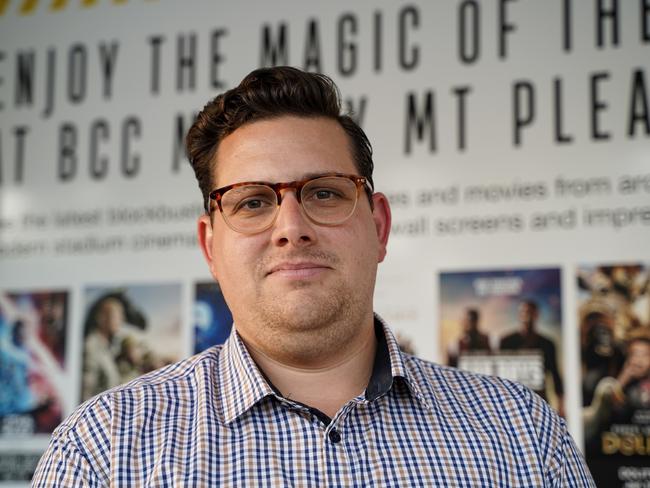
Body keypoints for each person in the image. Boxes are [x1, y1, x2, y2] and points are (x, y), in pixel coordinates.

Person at [33, 67, 594, 486]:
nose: (291, 228)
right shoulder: (104, 449)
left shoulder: (522, 436)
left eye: (324, 192)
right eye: (252, 203)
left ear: (377, 225)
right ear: (211, 244)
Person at [500, 299, 565, 412]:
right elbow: (499, 375)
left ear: (536, 315)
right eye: (524, 312)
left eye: (530, 312)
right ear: (519, 315)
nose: (527, 316)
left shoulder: (547, 344)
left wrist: (561, 404)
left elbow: (555, 373)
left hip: (539, 398)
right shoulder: (507, 342)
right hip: (513, 399)